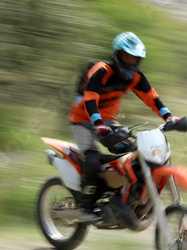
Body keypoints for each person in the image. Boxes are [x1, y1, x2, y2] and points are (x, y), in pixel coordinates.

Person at [68, 32, 179, 221]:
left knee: (135, 155)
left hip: (108, 123)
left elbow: (151, 98)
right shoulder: (101, 70)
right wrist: (98, 123)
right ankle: (85, 207)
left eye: (135, 58)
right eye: (127, 56)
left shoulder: (134, 77)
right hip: (83, 121)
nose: (131, 61)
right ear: (117, 54)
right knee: (93, 160)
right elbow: (91, 99)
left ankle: (124, 199)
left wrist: (169, 117)